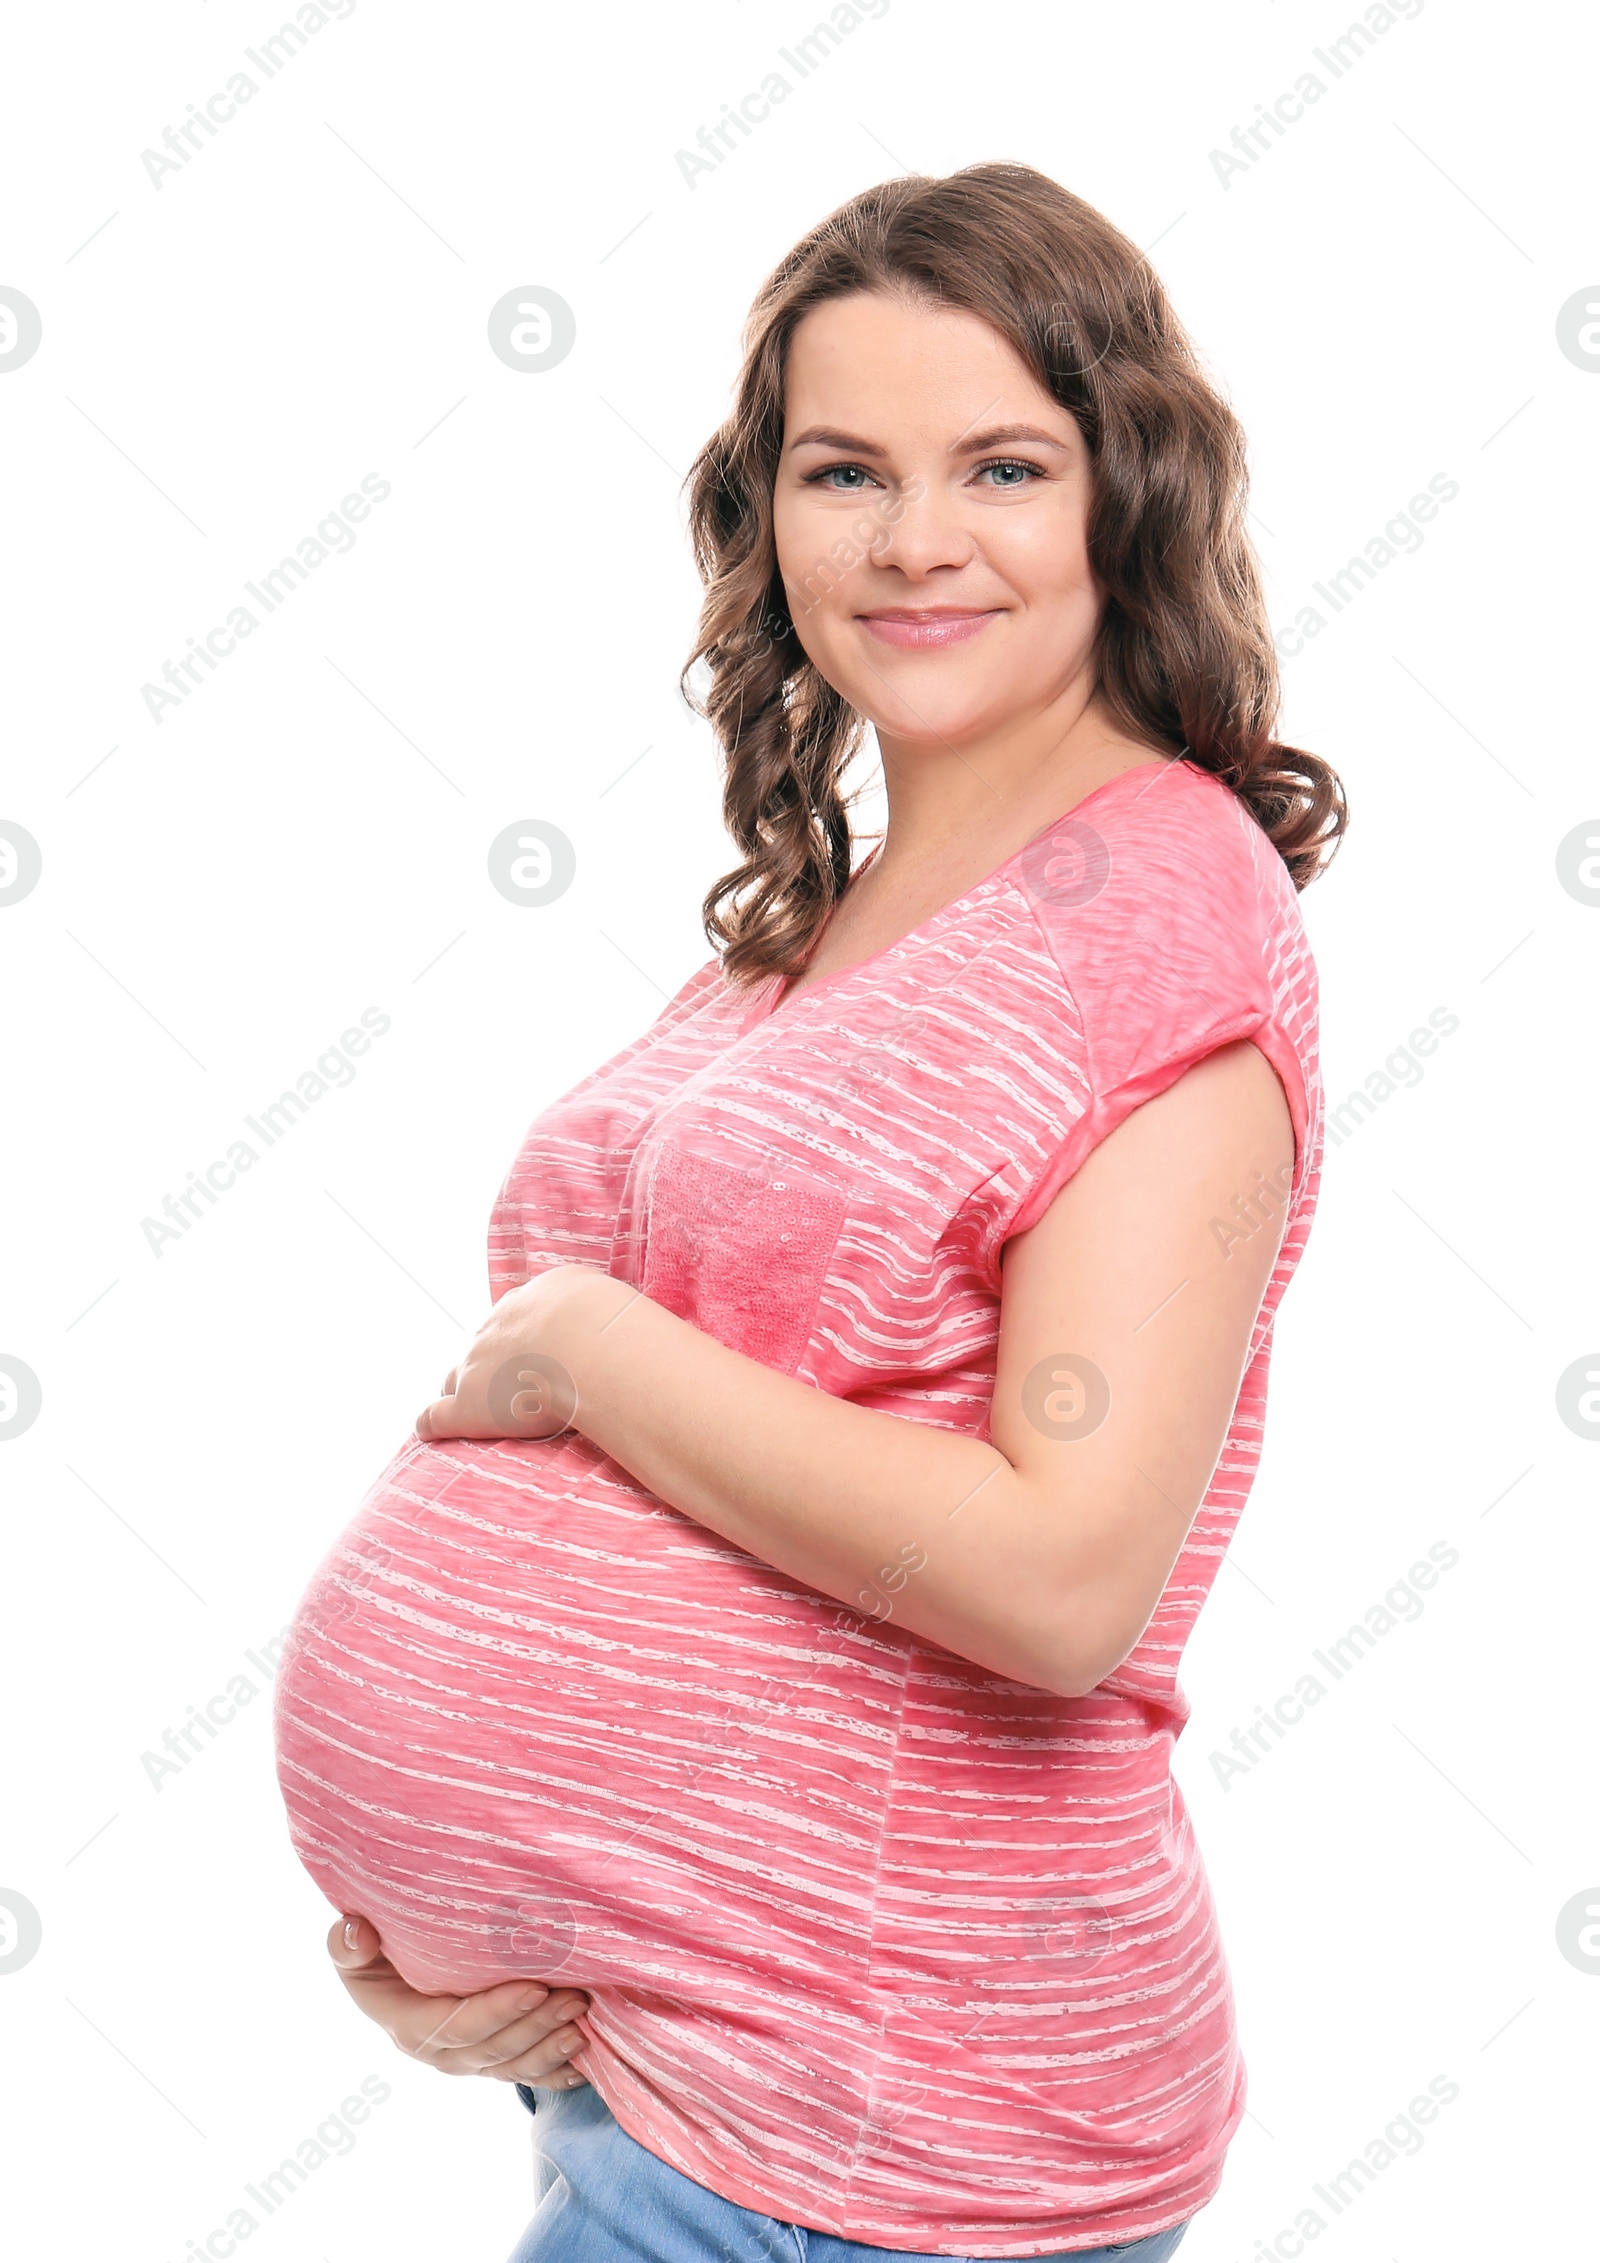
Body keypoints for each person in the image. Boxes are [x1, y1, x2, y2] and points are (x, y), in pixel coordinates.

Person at [279, 161, 1345, 2262]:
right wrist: (472, 1935)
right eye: (843, 469)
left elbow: (1061, 1579)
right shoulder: (826, 924)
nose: (913, 538)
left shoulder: (1151, 918)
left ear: (1120, 497)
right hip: (693, 2090)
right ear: (765, 515)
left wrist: (585, 1342)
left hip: (893, 2122)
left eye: (1001, 466)